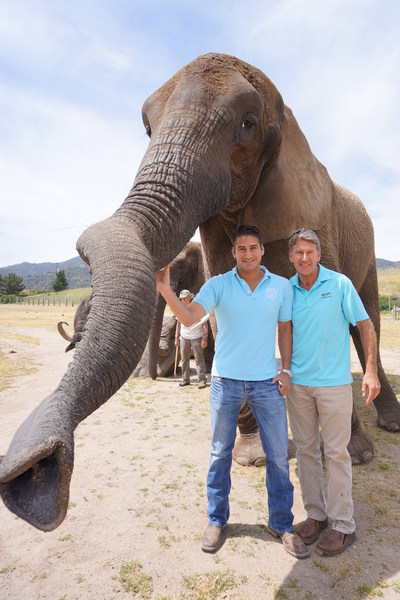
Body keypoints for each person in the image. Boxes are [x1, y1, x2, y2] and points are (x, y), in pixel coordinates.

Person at [156, 225, 309, 559]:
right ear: (233, 253)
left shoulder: (281, 287)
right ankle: (216, 520)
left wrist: (286, 370)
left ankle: (282, 524)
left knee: (279, 457)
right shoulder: (219, 285)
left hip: (267, 383)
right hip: (225, 382)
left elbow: (285, 328)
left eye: (253, 247)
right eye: (241, 248)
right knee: (219, 454)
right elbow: (189, 315)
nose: (248, 254)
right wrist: (165, 288)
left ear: (262, 250)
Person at [286, 229, 381, 557]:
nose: (304, 258)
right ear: (291, 257)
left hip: (334, 385)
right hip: (298, 386)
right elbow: (282, 331)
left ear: (318, 254)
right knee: (306, 450)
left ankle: (344, 525)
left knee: (337, 452)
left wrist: (370, 371)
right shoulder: (288, 289)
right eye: (298, 252)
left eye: (310, 252)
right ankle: (316, 514)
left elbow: (365, 326)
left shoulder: (339, 284)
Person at [175, 289, 208, 389]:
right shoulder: (180, 308)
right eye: (181, 299)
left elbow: (204, 324)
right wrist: (176, 338)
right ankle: (185, 379)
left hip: (196, 337)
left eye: (184, 298)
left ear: (188, 298)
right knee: (184, 359)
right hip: (184, 336)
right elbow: (178, 324)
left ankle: (202, 380)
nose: (182, 300)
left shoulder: (197, 308)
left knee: (199, 359)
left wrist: (204, 338)